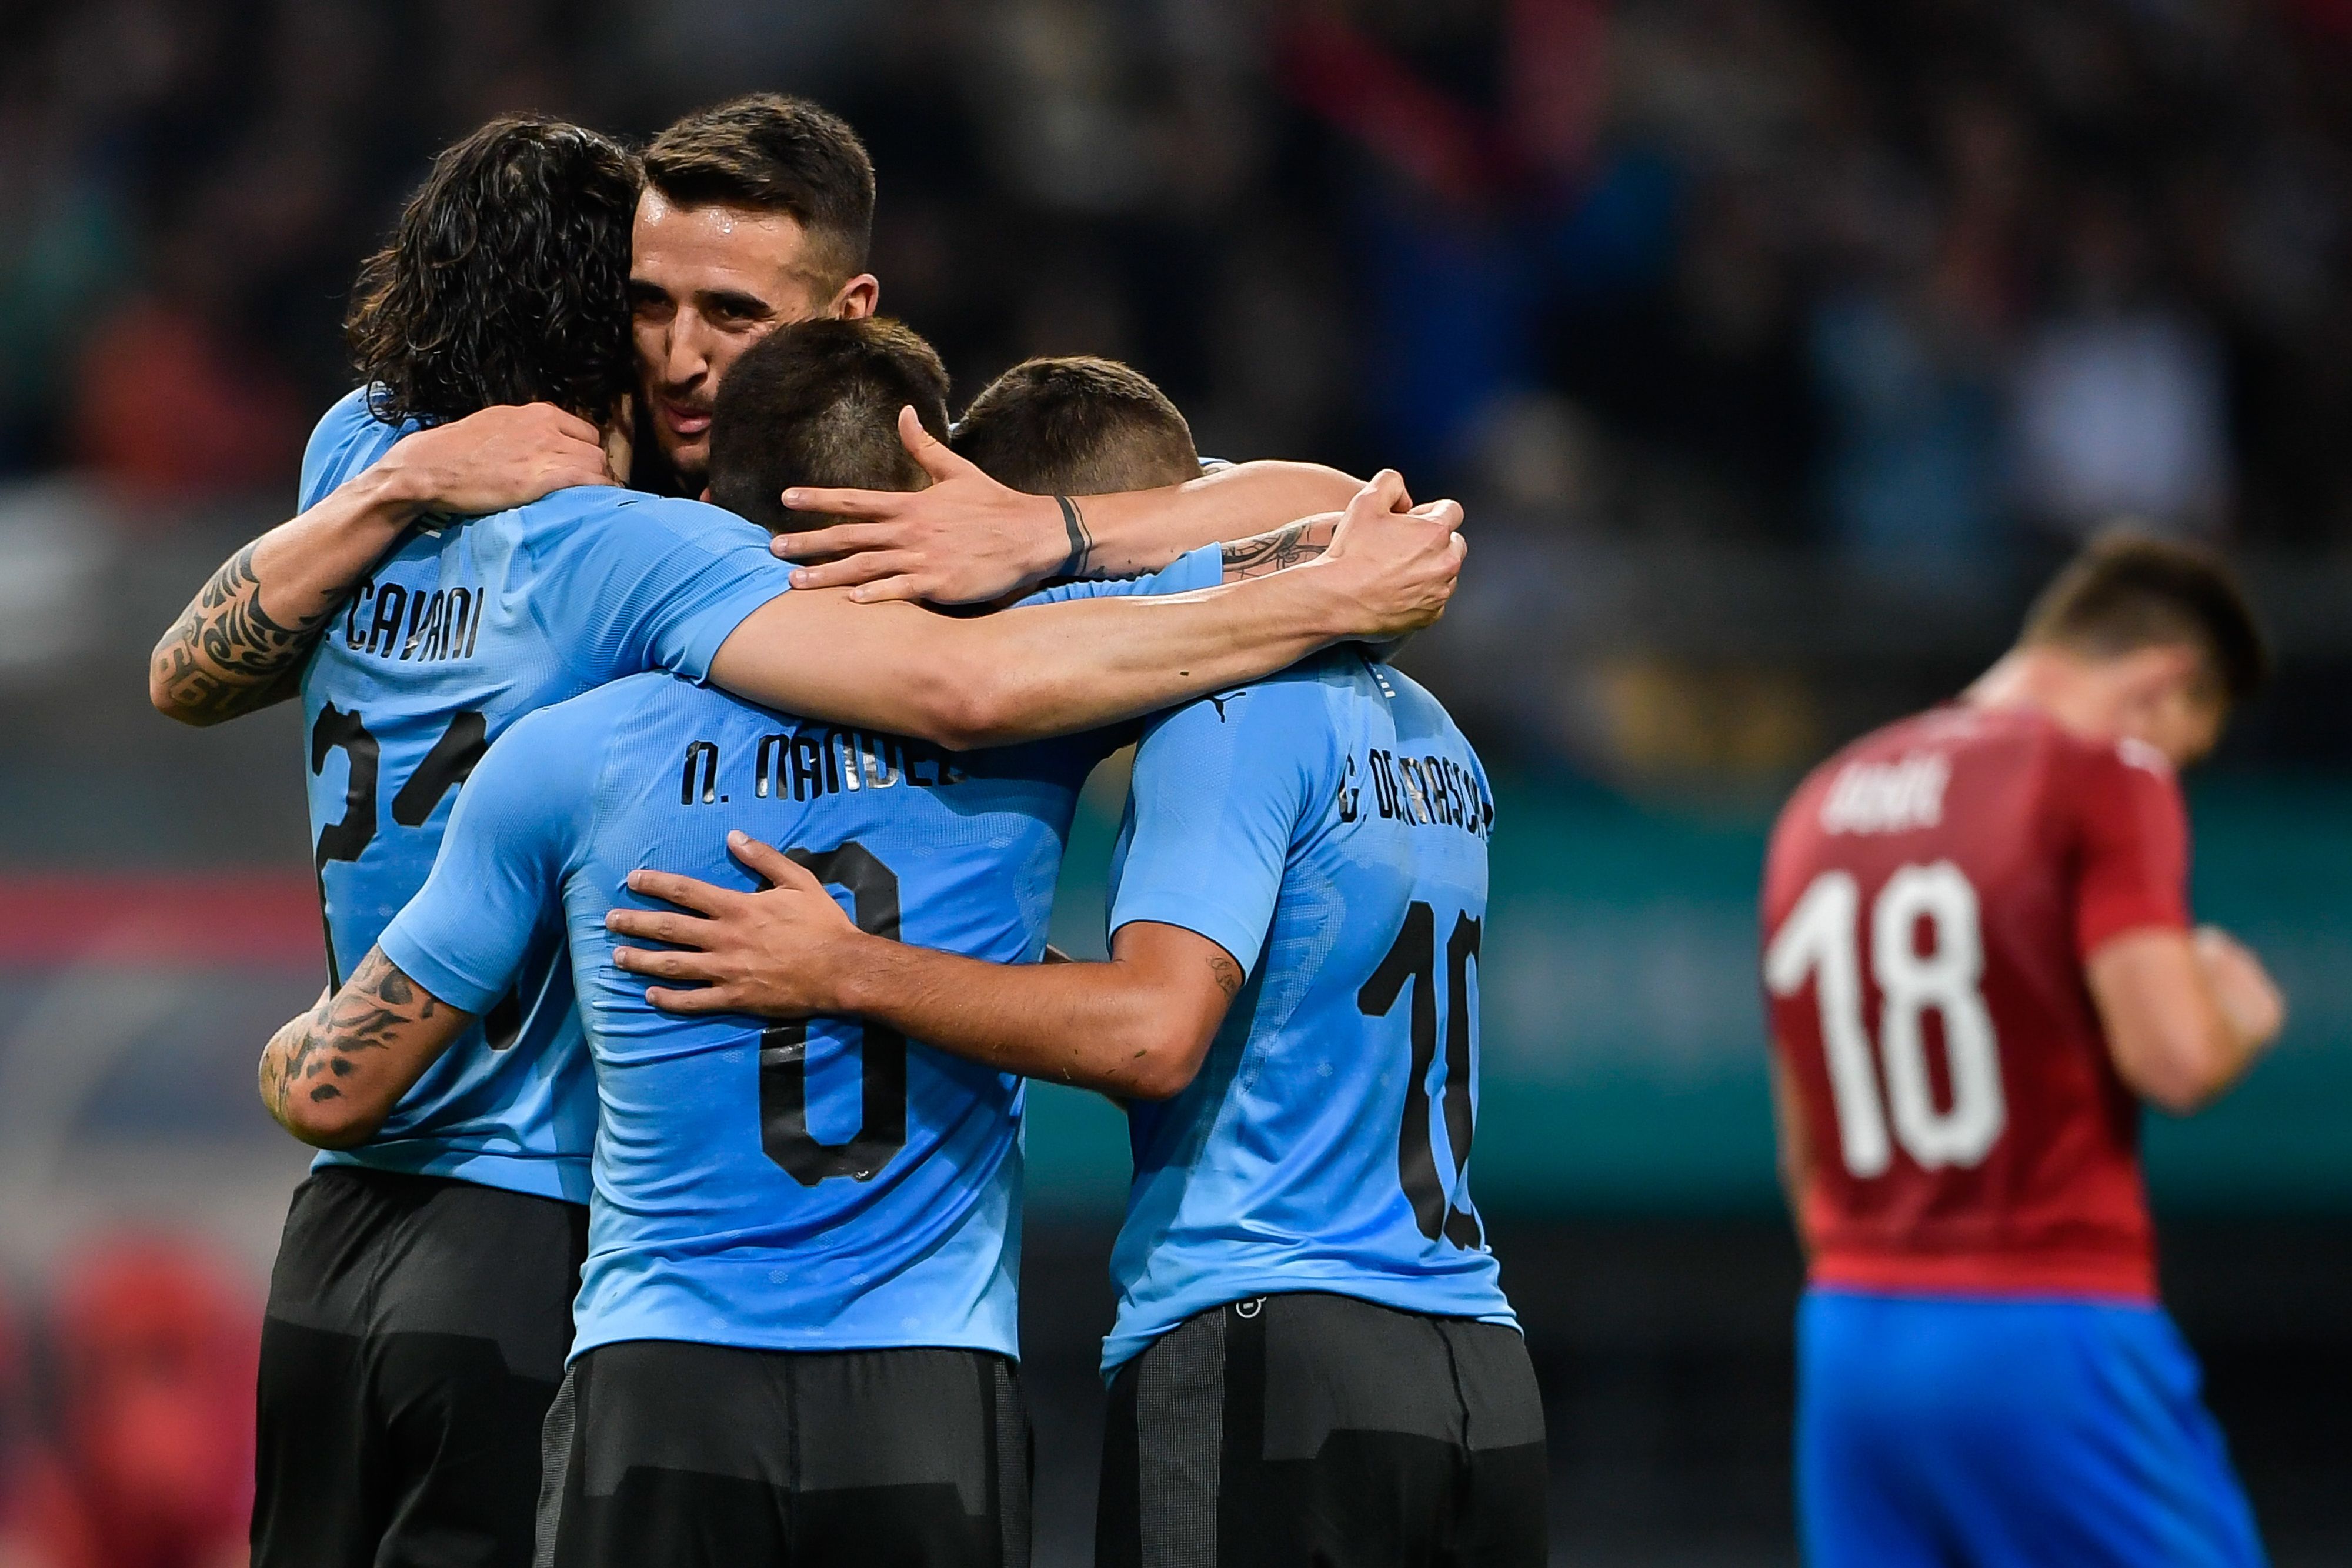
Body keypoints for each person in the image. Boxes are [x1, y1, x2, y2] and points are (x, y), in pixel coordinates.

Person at [152, 116, 1463, 1568]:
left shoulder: (370, 456)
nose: (679, 354)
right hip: (556, 1230)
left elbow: (185, 673)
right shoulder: (662, 550)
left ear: (843, 316)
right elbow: (973, 687)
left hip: (395, 1213)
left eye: (731, 316)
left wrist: (1057, 528)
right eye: (646, 306)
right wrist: (1071, 559)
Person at [598, 356, 1543, 1567]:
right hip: (1475, 1366)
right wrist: (978, 957)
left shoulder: (1223, 716)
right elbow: (1280, 1001)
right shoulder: (1434, 733)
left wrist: (854, 969)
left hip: (1270, 1344)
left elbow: (1149, 1034)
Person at [1758, 533, 2283, 1567]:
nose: (2172, 772)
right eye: (2188, 746)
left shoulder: (1820, 801)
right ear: (2165, 681)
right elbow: (2175, 1058)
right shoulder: (2104, 772)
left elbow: (1803, 1154)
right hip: (2046, 1322)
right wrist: (2237, 1012)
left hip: (1852, 1334)